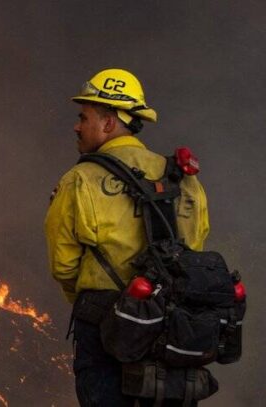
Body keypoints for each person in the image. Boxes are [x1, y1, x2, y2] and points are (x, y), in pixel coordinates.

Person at [44, 68, 210, 406]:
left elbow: (63, 265)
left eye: (84, 117)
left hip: (104, 328)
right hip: (172, 326)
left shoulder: (80, 179)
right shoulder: (181, 179)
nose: (77, 126)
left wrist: (98, 306)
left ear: (108, 123)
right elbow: (196, 244)